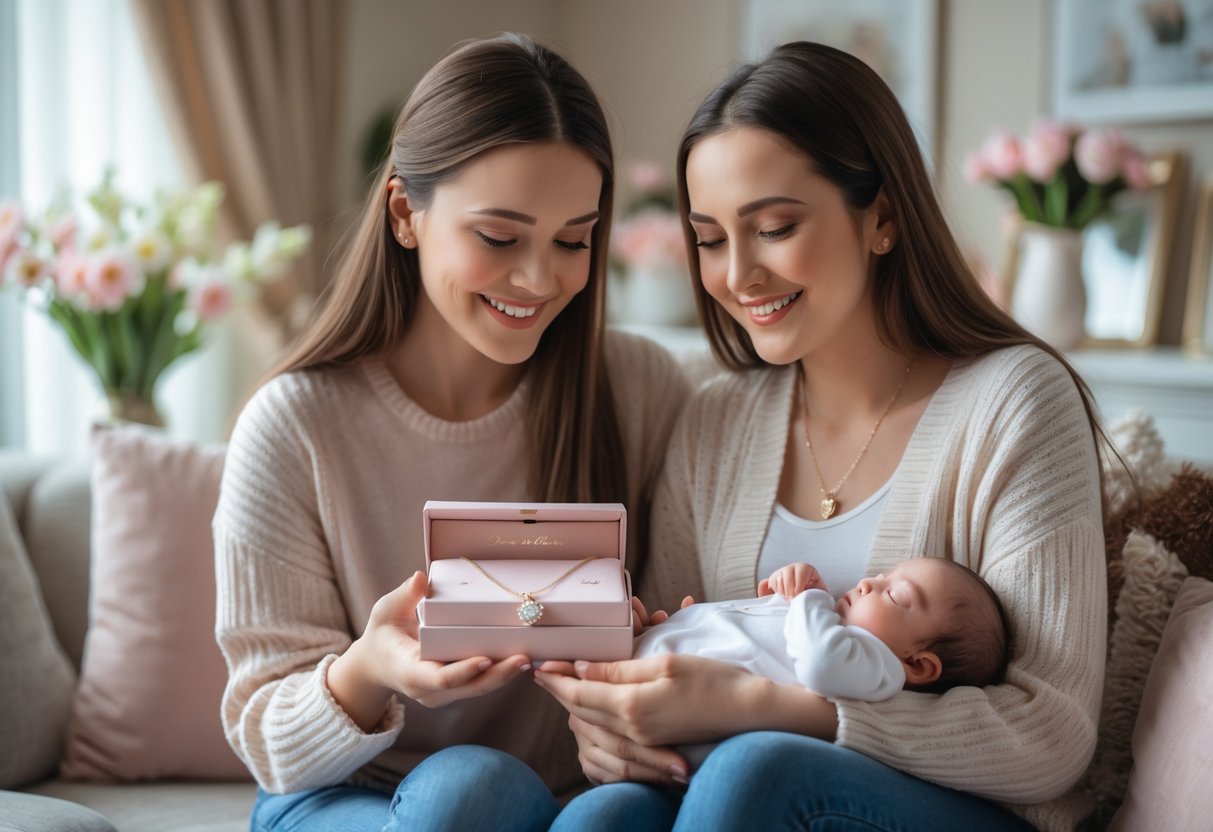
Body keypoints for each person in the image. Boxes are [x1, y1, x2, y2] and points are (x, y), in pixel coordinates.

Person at [537, 41, 1107, 832]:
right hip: (720, 788)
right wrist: (611, 730)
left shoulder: (1012, 403)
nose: (738, 275)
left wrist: (770, 710)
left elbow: (1052, 736)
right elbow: (669, 645)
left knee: (753, 769)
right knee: (599, 816)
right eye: (708, 238)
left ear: (881, 217)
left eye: (772, 227)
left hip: (950, 809)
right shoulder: (715, 420)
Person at [214, 33, 689, 832]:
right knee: (470, 789)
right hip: (349, 798)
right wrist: (372, 668)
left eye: (573, 241)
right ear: (406, 212)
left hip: (573, 801)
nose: (540, 280)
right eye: (499, 237)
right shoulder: (295, 424)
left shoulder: (639, 390)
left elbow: (690, 636)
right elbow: (270, 745)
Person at [634, 557, 1010, 769]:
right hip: (653, 668)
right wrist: (781, 592)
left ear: (918, 665)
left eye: (894, 595)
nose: (867, 583)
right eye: (881, 576)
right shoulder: (832, 621)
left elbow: (819, 663)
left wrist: (809, 596)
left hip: (694, 737)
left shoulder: (880, 668)